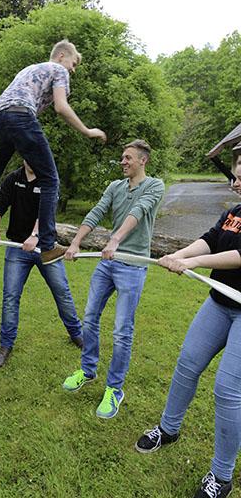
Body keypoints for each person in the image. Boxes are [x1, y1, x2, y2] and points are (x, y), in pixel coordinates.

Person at [0, 40, 107, 265]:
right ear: (61, 56)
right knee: (50, 180)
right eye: (74, 63)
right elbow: (61, 107)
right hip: (20, 115)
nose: (73, 70)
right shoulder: (58, 69)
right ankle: (48, 246)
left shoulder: (30, 69)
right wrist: (87, 131)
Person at [135, 163, 241, 498]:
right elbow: (210, 240)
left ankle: (221, 476)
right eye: (235, 176)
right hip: (220, 303)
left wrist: (192, 263)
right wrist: (177, 255)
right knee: (188, 363)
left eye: (240, 177)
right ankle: (168, 429)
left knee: (227, 389)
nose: (234, 183)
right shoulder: (235, 212)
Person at [62, 140, 164, 419]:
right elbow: (97, 212)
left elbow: (138, 211)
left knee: (121, 330)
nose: (123, 161)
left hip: (132, 266)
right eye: (122, 157)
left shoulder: (155, 186)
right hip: (108, 263)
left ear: (143, 160)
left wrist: (116, 239)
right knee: (90, 317)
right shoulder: (115, 187)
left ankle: (115, 389)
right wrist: (76, 242)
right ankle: (87, 370)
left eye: (128, 158)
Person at [0, 161, 83, 368]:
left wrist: (35, 235)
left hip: (46, 248)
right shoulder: (13, 179)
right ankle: (5, 345)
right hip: (17, 248)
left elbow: (46, 212)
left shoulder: (49, 179)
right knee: (10, 297)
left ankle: (77, 334)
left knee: (62, 291)